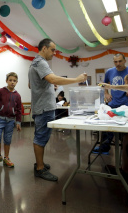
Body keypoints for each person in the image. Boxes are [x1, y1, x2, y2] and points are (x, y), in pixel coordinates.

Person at [28, 38, 87, 181]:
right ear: (44, 49)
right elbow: (54, 79)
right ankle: (40, 169)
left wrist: (48, 86)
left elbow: (31, 85)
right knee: (40, 138)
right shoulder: (40, 62)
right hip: (43, 108)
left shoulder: (34, 63)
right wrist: (77, 79)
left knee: (41, 137)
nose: (54, 53)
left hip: (42, 106)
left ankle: (39, 164)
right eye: (52, 50)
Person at [93, 53, 128, 154]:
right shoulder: (109, 72)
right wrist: (107, 93)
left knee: (124, 129)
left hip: (127, 104)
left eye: (120, 61)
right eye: (115, 62)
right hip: (113, 103)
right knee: (107, 127)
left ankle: (124, 149)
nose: (118, 63)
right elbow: (104, 85)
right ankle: (104, 147)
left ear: (125, 61)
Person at [0, 72, 22, 168]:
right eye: (10, 80)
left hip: (10, 121)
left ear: (17, 82)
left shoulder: (17, 95)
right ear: (6, 81)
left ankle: (6, 158)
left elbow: (19, 110)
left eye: (14, 81)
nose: (12, 82)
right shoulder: (1, 91)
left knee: (7, 139)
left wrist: (18, 122)